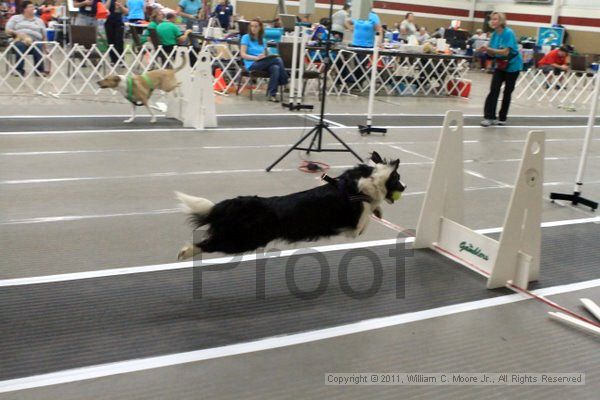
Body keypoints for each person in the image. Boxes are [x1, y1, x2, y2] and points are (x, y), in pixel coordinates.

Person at [480, 12, 523, 127]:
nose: (493, 21)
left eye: (495, 19)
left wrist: (489, 49)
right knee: (494, 89)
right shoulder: (494, 35)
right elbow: (491, 52)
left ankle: (502, 117)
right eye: (491, 19)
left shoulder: (508, 33)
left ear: (501, 21)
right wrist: (485, 49)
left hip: (513, 66)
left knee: (507, 92)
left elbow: (505, 51)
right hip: (500, 65)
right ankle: (489, 117)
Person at [240, 18, 288, 102]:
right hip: (251, 64)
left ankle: (271, 95)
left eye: (256, 26)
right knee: (277, 59)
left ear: (260, 28)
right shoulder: (245, 37)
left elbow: (265, 53)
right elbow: (242, 54)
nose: (253, 28)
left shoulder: (263, 39)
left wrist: (264, 55)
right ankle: (284, 80)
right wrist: (256, 58)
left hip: (262, 62)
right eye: (252, 26)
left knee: (275, 67)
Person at [5, 0, 46, 76]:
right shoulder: (15, 18)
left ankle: (39, 71)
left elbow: (44, 36)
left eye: (33, 6)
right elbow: (7, 30)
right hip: (18, 39)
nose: (33, 8)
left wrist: (46, 48)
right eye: (30, 7)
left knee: (37, 45)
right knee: (20, 45)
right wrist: (18, 34)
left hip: (34, 41)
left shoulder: (39, 20)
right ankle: (19, 70)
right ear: (24, 9)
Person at [104, 0, 128, 66]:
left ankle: (121, 60)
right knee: (110, 41)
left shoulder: (122, 1)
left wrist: (121, 7)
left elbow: (126, 12)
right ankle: (113, 60)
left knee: (119, 41)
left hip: (119, 22)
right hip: (109, 22)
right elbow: (105, 9)